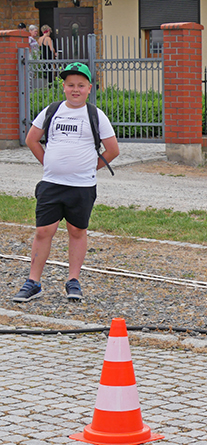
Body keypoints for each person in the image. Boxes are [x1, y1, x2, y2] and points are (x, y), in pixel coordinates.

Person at [13, 62, 119, 303]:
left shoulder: (95, 115)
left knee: (77, 231)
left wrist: (90, 167)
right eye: (71, 85)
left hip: (82, 186)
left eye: (81, 85)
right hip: (52, 184)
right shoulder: (51, 111)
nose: (75, 89)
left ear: (89, 88)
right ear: (63, 87)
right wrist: (48, 162)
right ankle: (33, 282)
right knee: (43, 231)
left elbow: (112, 149)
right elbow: (32, 140)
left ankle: (73, 280)